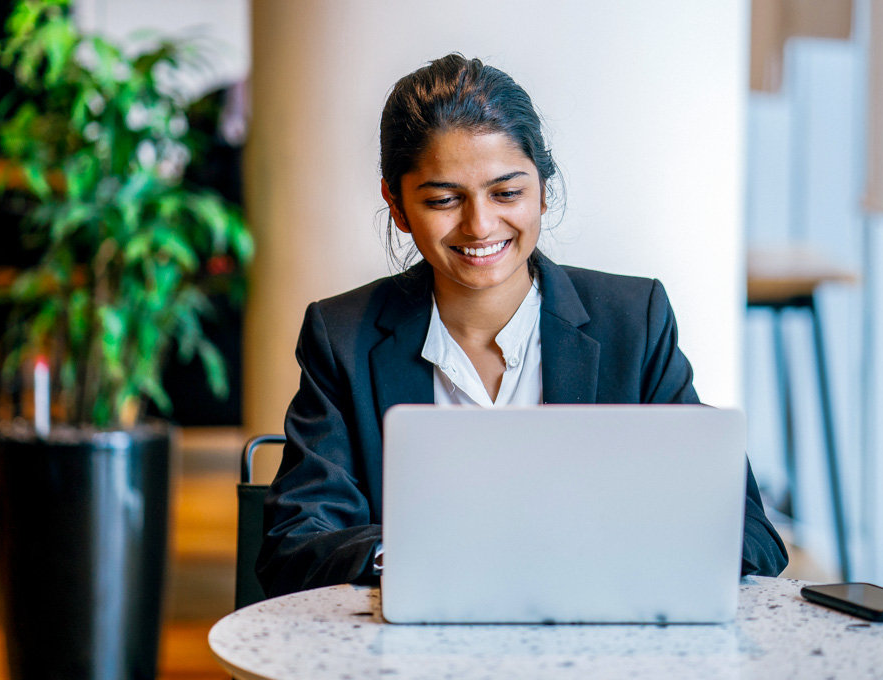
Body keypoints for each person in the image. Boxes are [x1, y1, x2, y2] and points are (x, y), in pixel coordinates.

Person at [258, 54, 788, 596]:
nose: (480, 225)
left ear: (543, 186)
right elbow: (295, 542)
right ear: (396, 204)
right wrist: (417, 556)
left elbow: (752, 538)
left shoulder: (633, 320)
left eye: (507, 193)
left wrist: (620, 548)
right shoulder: (343, 335)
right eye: (443, 199)